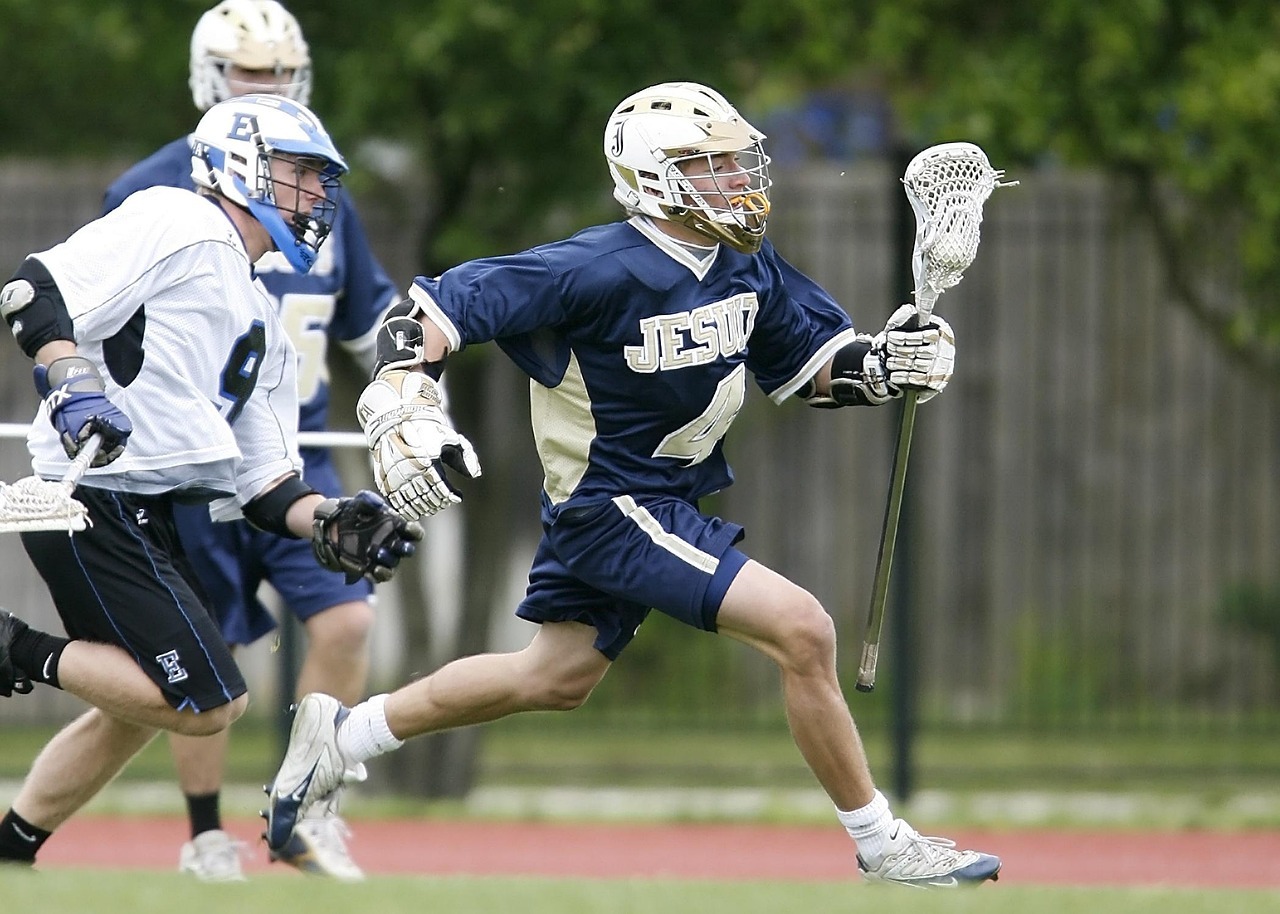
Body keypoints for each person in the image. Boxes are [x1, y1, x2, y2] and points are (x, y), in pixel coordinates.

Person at [265, 80, 1000, 889]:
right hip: (613, 507)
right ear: (655, 179)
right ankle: (881, 842)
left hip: (656, 503)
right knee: (804, 630)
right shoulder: (594, 268)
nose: (738, 182)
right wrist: (404, 394)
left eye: (736, 162)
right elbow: (434, 312)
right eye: (710, 166)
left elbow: (812, 372)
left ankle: (340, 736)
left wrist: (886, 365)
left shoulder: (746, 265)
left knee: (552, 677)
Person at [0, 93, 421, 873]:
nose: (317, 196)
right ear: (242, 164)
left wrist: (329, 519)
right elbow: (32, 289)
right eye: (301, 174)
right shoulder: (178, 218)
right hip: (90, 497)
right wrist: (70, 380)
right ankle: (12, 646)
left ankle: (10, 846)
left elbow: (263, 484)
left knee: (138, 707)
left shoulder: (261, 311)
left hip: (155, 512)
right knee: (210, 703)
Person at [101, 0, 402, 882]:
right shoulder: (152, 187)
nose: (265, 89)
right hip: (190, 451)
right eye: (248, 74)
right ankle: (204, 833)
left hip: (298, 446)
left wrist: (414, 386)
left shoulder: (320, 184)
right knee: (211, 649)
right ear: (210, 78)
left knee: (348, 615)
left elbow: (366, 317)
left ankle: (304, 814)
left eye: (278, 75)